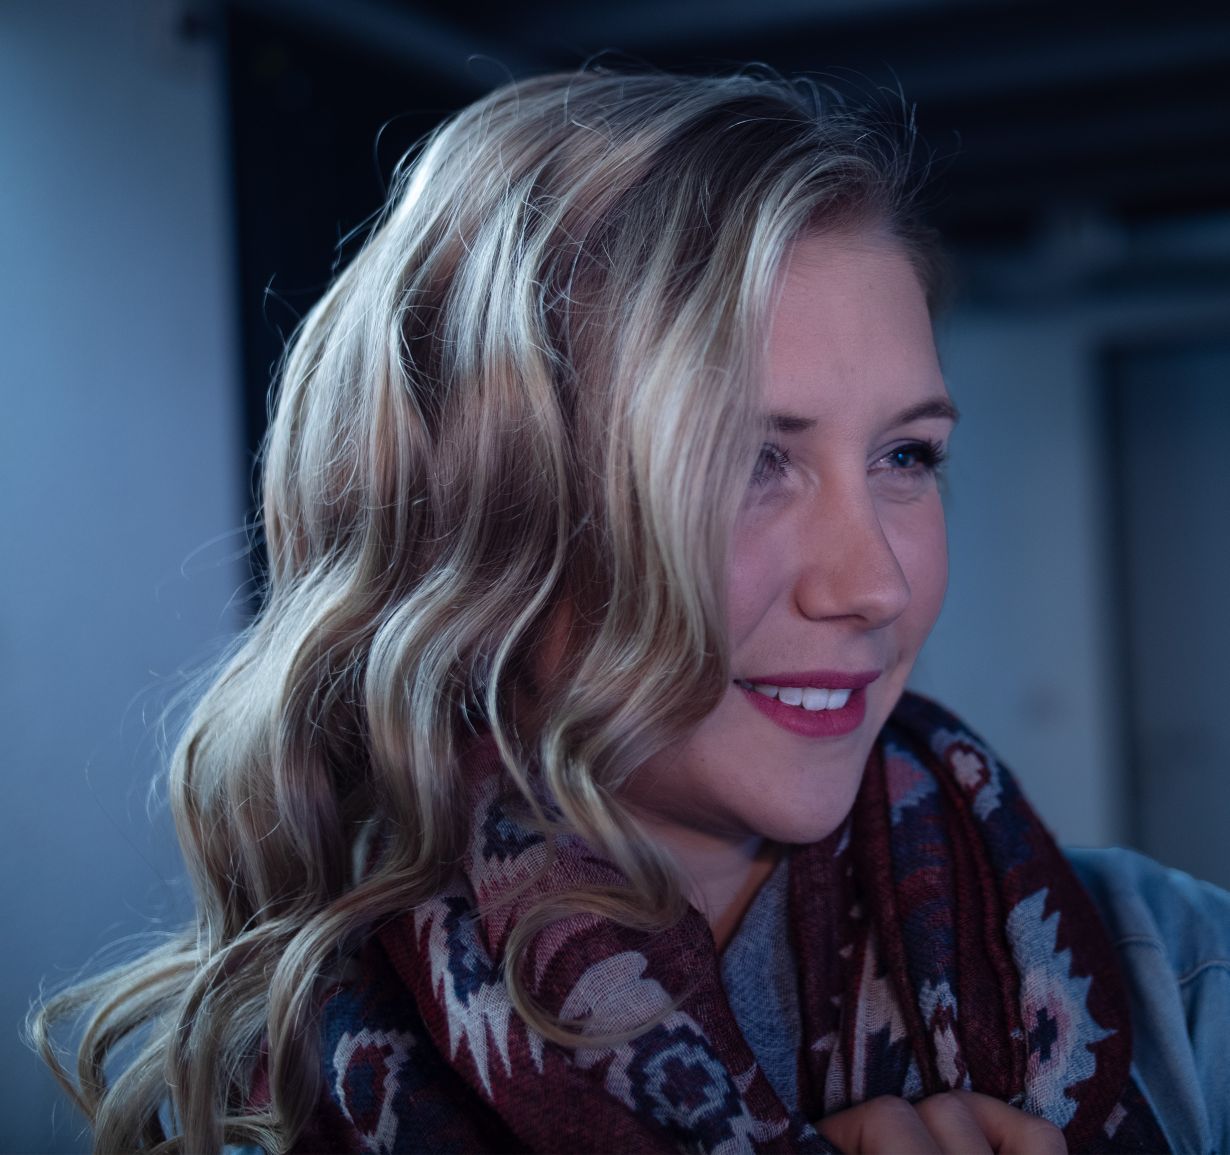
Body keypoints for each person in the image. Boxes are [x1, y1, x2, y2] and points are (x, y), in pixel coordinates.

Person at [31, 68, 1230, 1154]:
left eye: (906, 456)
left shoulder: (1178, 984)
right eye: (746, 460)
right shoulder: (264, 1089)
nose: (873, 584)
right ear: (489, 513)